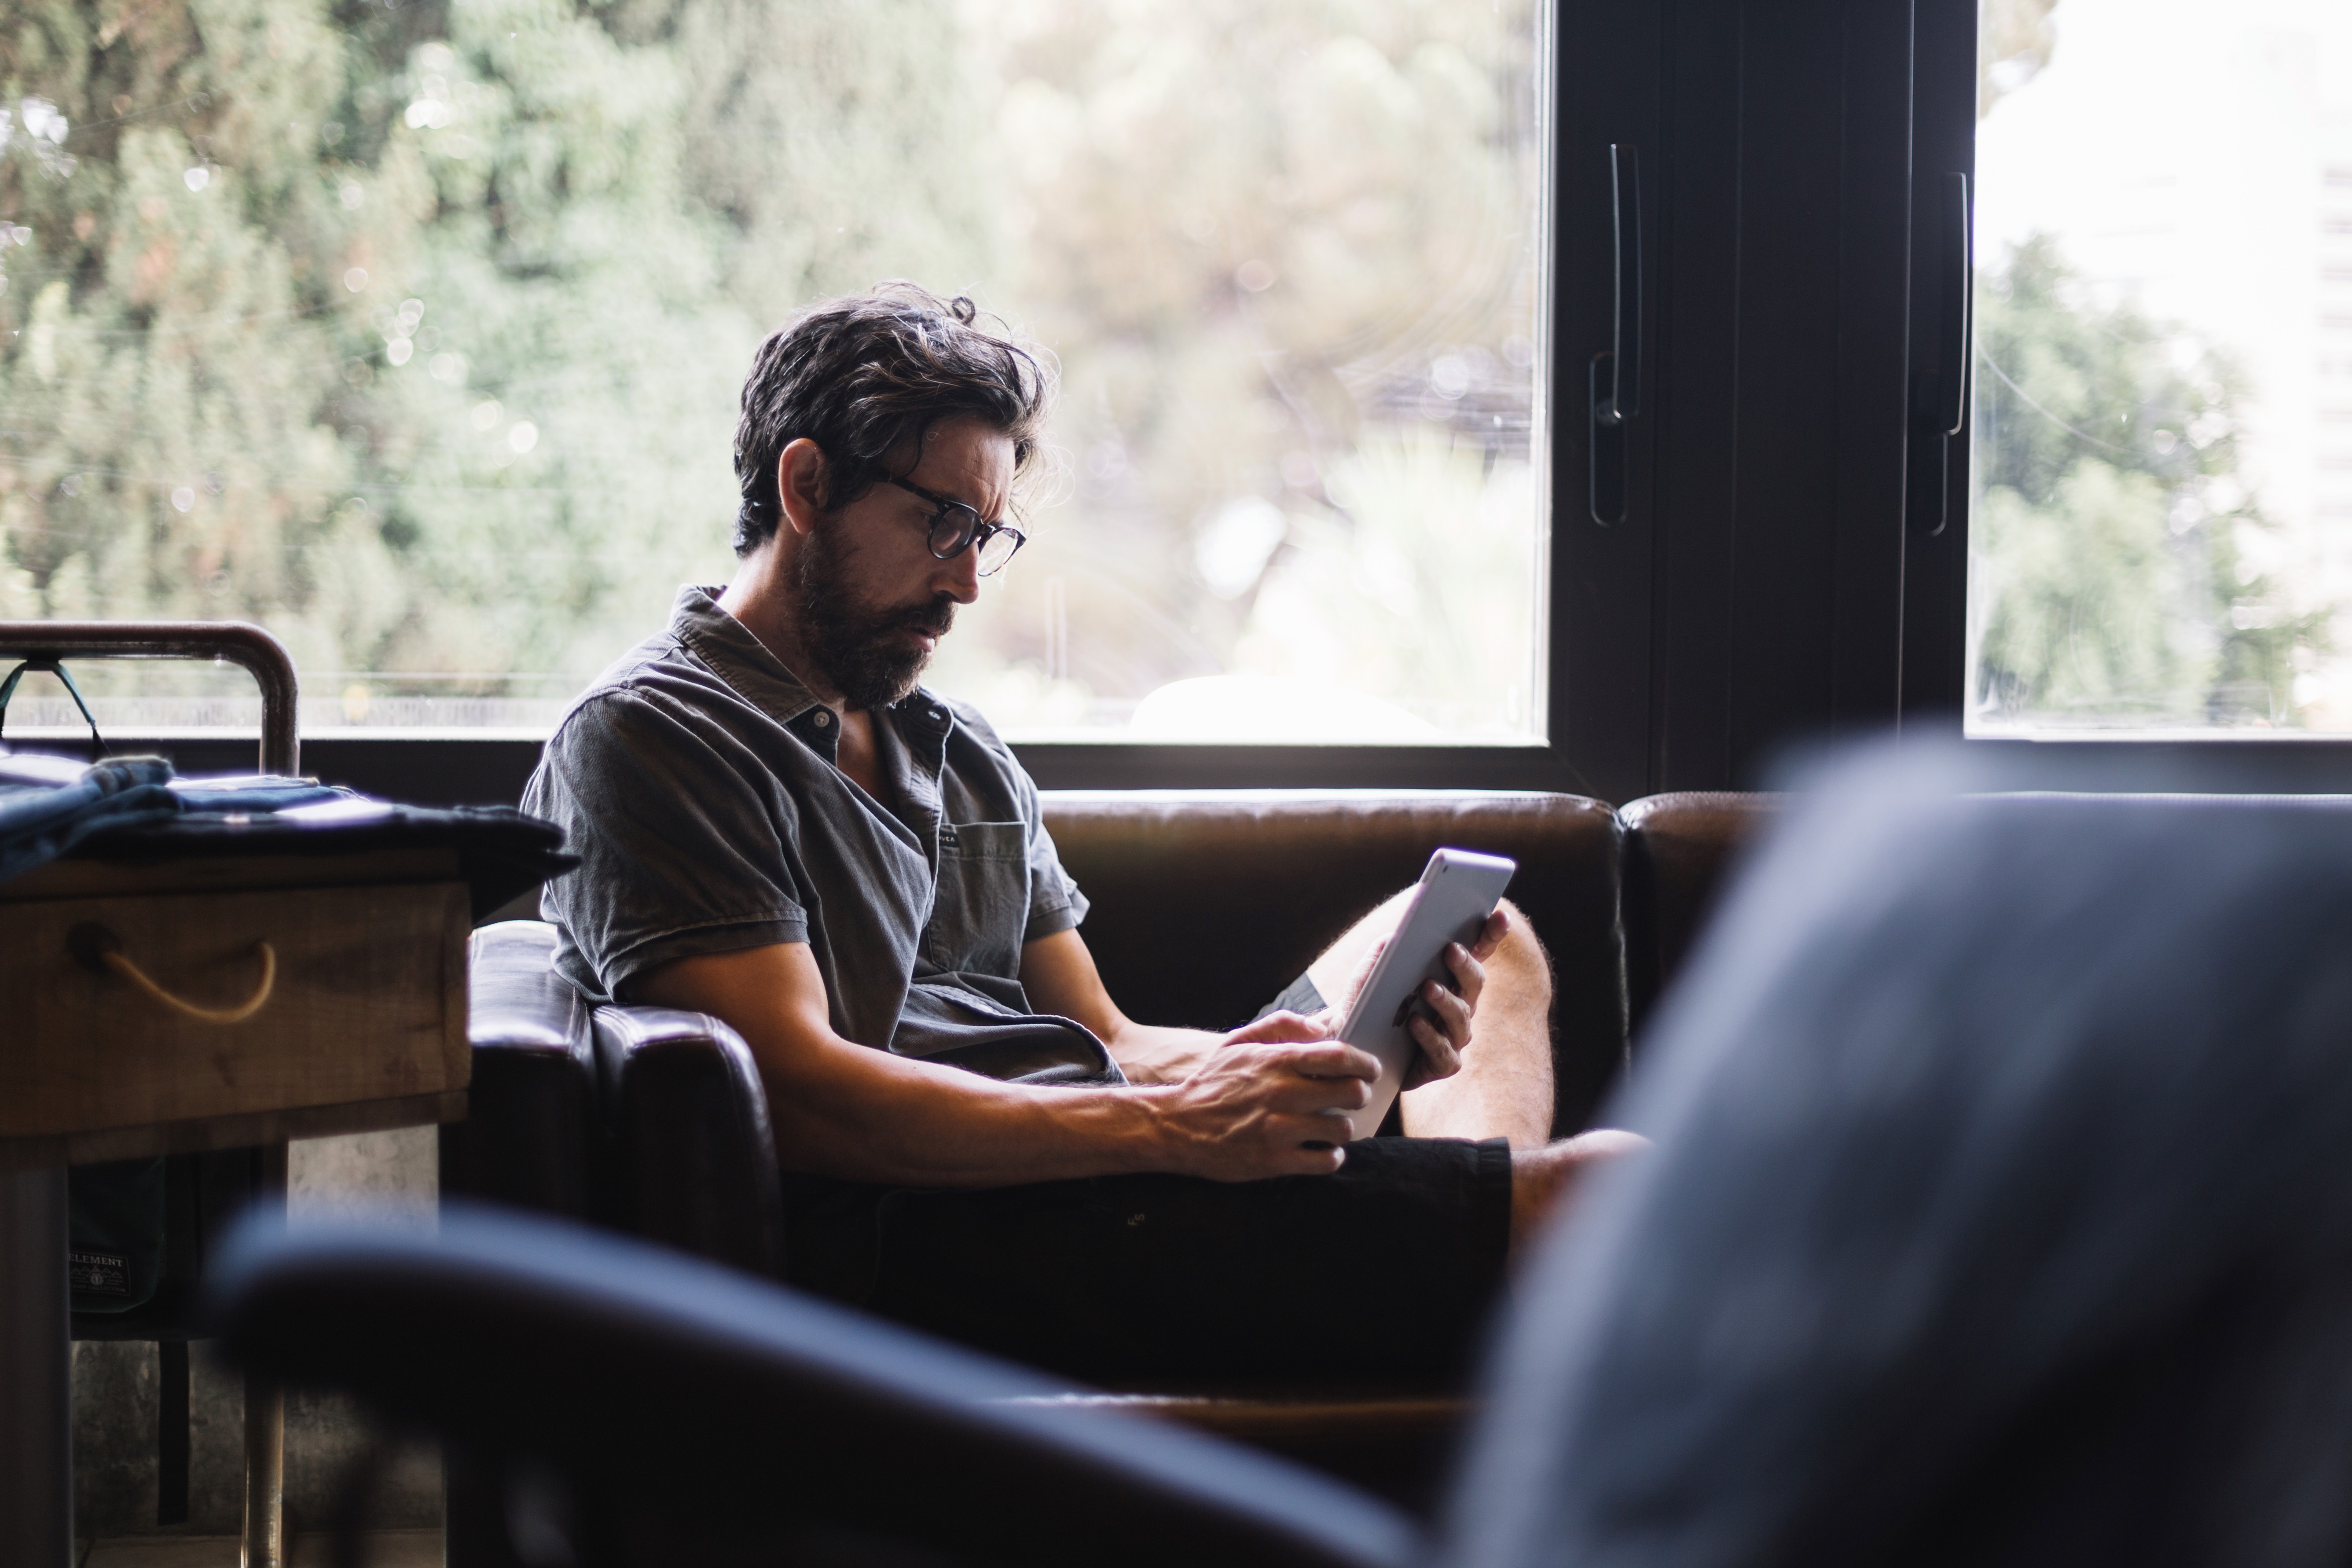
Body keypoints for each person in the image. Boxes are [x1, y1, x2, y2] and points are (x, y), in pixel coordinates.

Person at [523, 282, 1638, 1380]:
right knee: (1609, 1190)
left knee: (1492, 946)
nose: (965, 582)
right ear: (807, 486)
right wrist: (1174, 1130)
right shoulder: (653, 741)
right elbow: (800, 1095)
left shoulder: (954, 747)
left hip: (1107, 1164)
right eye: (941, 524)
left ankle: (1468, 1263)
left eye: (986, 538)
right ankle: (1483, 1263)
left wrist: (1281, 1072)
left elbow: (1109, 1032)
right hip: (945, 1238)